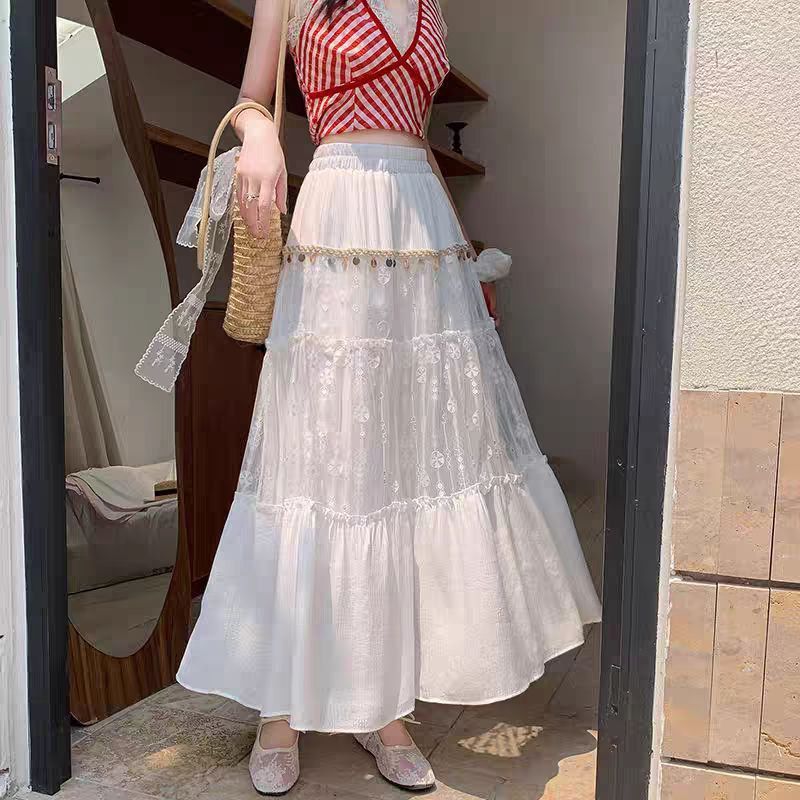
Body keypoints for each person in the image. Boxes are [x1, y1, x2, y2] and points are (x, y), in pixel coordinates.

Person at [176, 0, 602, 793]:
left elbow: (421, 139)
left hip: (422, 232)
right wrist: (260, 134)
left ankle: (384, 708)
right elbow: (251, 97)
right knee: (318, 456)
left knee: (409, 460)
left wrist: (460, 258)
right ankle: (281, 710)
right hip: (339, 214)